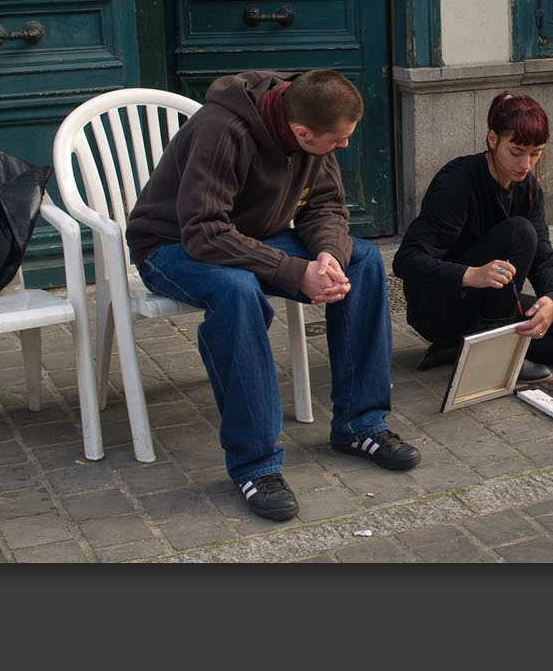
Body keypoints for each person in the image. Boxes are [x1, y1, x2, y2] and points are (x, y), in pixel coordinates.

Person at [125, 68, 420, 522]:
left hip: (250, 238)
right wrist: (292, 271)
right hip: (172, 247)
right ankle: (255, 464)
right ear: (302, 133)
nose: (345, 146)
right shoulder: (221, 129)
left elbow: (325, 206)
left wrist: (326, 257)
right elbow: (204, 232)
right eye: (338, 141)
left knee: (361, 261)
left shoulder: (310, 123)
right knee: (238, 289)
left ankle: (361, 424)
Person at [393, 90, 553, 382]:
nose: (526, 163)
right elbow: (405, 261)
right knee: (519, 232)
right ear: (493, 139)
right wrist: (471, 274)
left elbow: (544, 257)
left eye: (536, 152)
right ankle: (493, 356)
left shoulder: (529, 189)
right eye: (516, 152)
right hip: (438, 309)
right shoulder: (458, 182)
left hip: (493, 303)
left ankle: (464, 349)